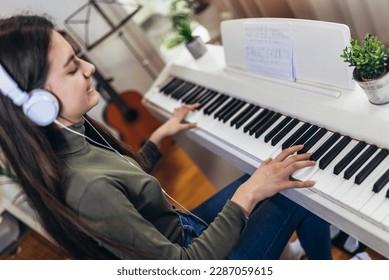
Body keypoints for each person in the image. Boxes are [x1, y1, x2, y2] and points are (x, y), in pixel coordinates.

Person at [0, 14, 332, 260]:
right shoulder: (86, 189)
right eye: (71, 69)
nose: (88, 68)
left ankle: (298, 257)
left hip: (186, 229)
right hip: (197, 257)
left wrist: (161, 133)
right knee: (295, 181)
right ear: (35, 105)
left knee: (277, 170)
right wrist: (248, 194)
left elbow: (126, 180)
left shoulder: (74, 136)